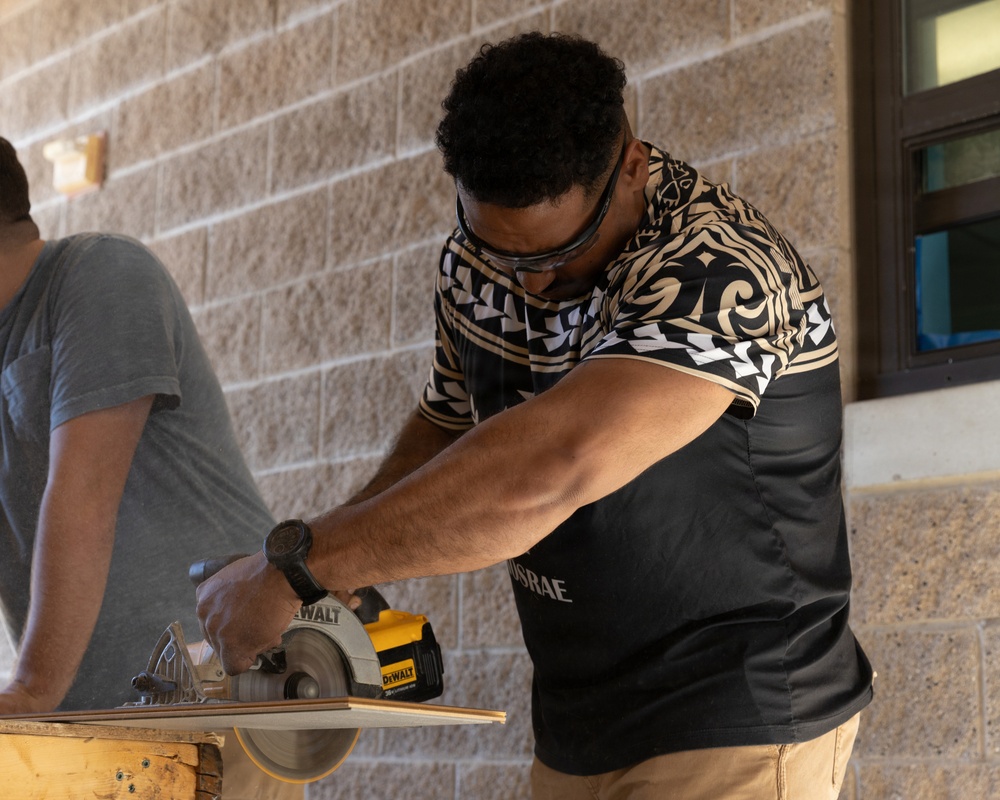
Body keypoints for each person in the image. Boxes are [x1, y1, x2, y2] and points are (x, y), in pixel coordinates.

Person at [196, 33, 874, 799]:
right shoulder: (475, 261)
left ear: (631, 167)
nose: (531, 279)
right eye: (502, 252)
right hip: (578, 722)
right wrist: (332, 575)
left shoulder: (720, 269)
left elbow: (550, 468)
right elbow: (451, 423)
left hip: (739, 714)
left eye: (561, 253)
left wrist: (301, 563)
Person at [0, 136, 276, 714]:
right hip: (87, 720)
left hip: (212, 703)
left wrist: (30, 691)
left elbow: (85, 494)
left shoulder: (101, 274)